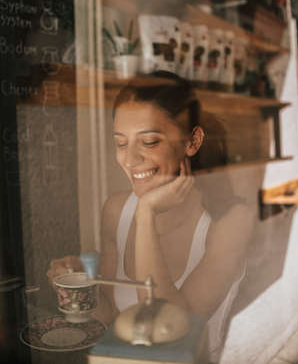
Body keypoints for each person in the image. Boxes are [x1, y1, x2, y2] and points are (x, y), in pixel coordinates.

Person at [47, 71, 254, 362]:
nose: (130, 160)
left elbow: (168, 329)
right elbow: (113, 315)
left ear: (192, 141)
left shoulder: (231, 222)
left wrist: (146, 214)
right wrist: (77, 290)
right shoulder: (115, 211)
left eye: (149, 142)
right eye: (121, 143)